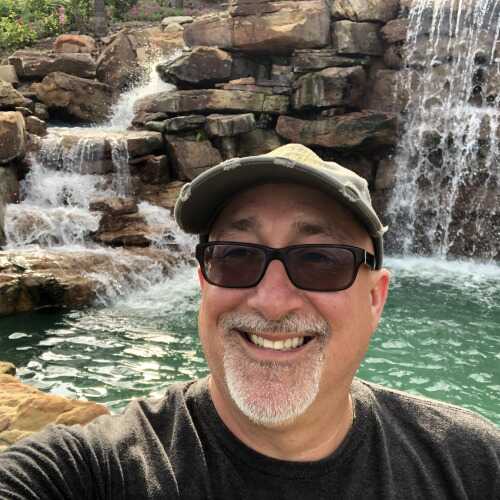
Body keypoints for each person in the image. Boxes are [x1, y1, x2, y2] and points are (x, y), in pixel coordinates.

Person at [0, 144, 498, 499]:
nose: (272, 302)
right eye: (237, 255)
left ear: (374, 299)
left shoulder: (473, 465)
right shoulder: (98, 469)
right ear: (204, 282)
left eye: (319, 260)